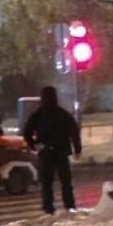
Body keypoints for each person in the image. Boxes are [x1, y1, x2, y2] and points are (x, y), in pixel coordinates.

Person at [22, 86, 81, 214]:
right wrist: (77, 149)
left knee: (46, 183)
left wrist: (33, 144)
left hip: (45, 152)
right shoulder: (62, 114)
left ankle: (48, 208)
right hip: (62, 152)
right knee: (66, 182)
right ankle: (69, 206)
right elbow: (74, 131)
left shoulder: (37, 115)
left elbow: (27, 132)